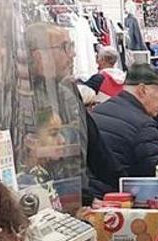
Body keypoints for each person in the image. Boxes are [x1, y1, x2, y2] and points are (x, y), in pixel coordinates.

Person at [23, 22, 120, 204]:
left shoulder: (68, 91)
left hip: (77, 200)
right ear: (39, 56)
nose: (73, 54)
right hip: (44, 203)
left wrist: (123, 189)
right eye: (64, 47)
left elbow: (96, 149)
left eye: (72, 46)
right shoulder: (24, 98)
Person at [90, 63, 158, 182]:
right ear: (142, 90)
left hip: (91, 196)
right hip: (122, 196)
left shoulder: (96, 112)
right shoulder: (144, 126)